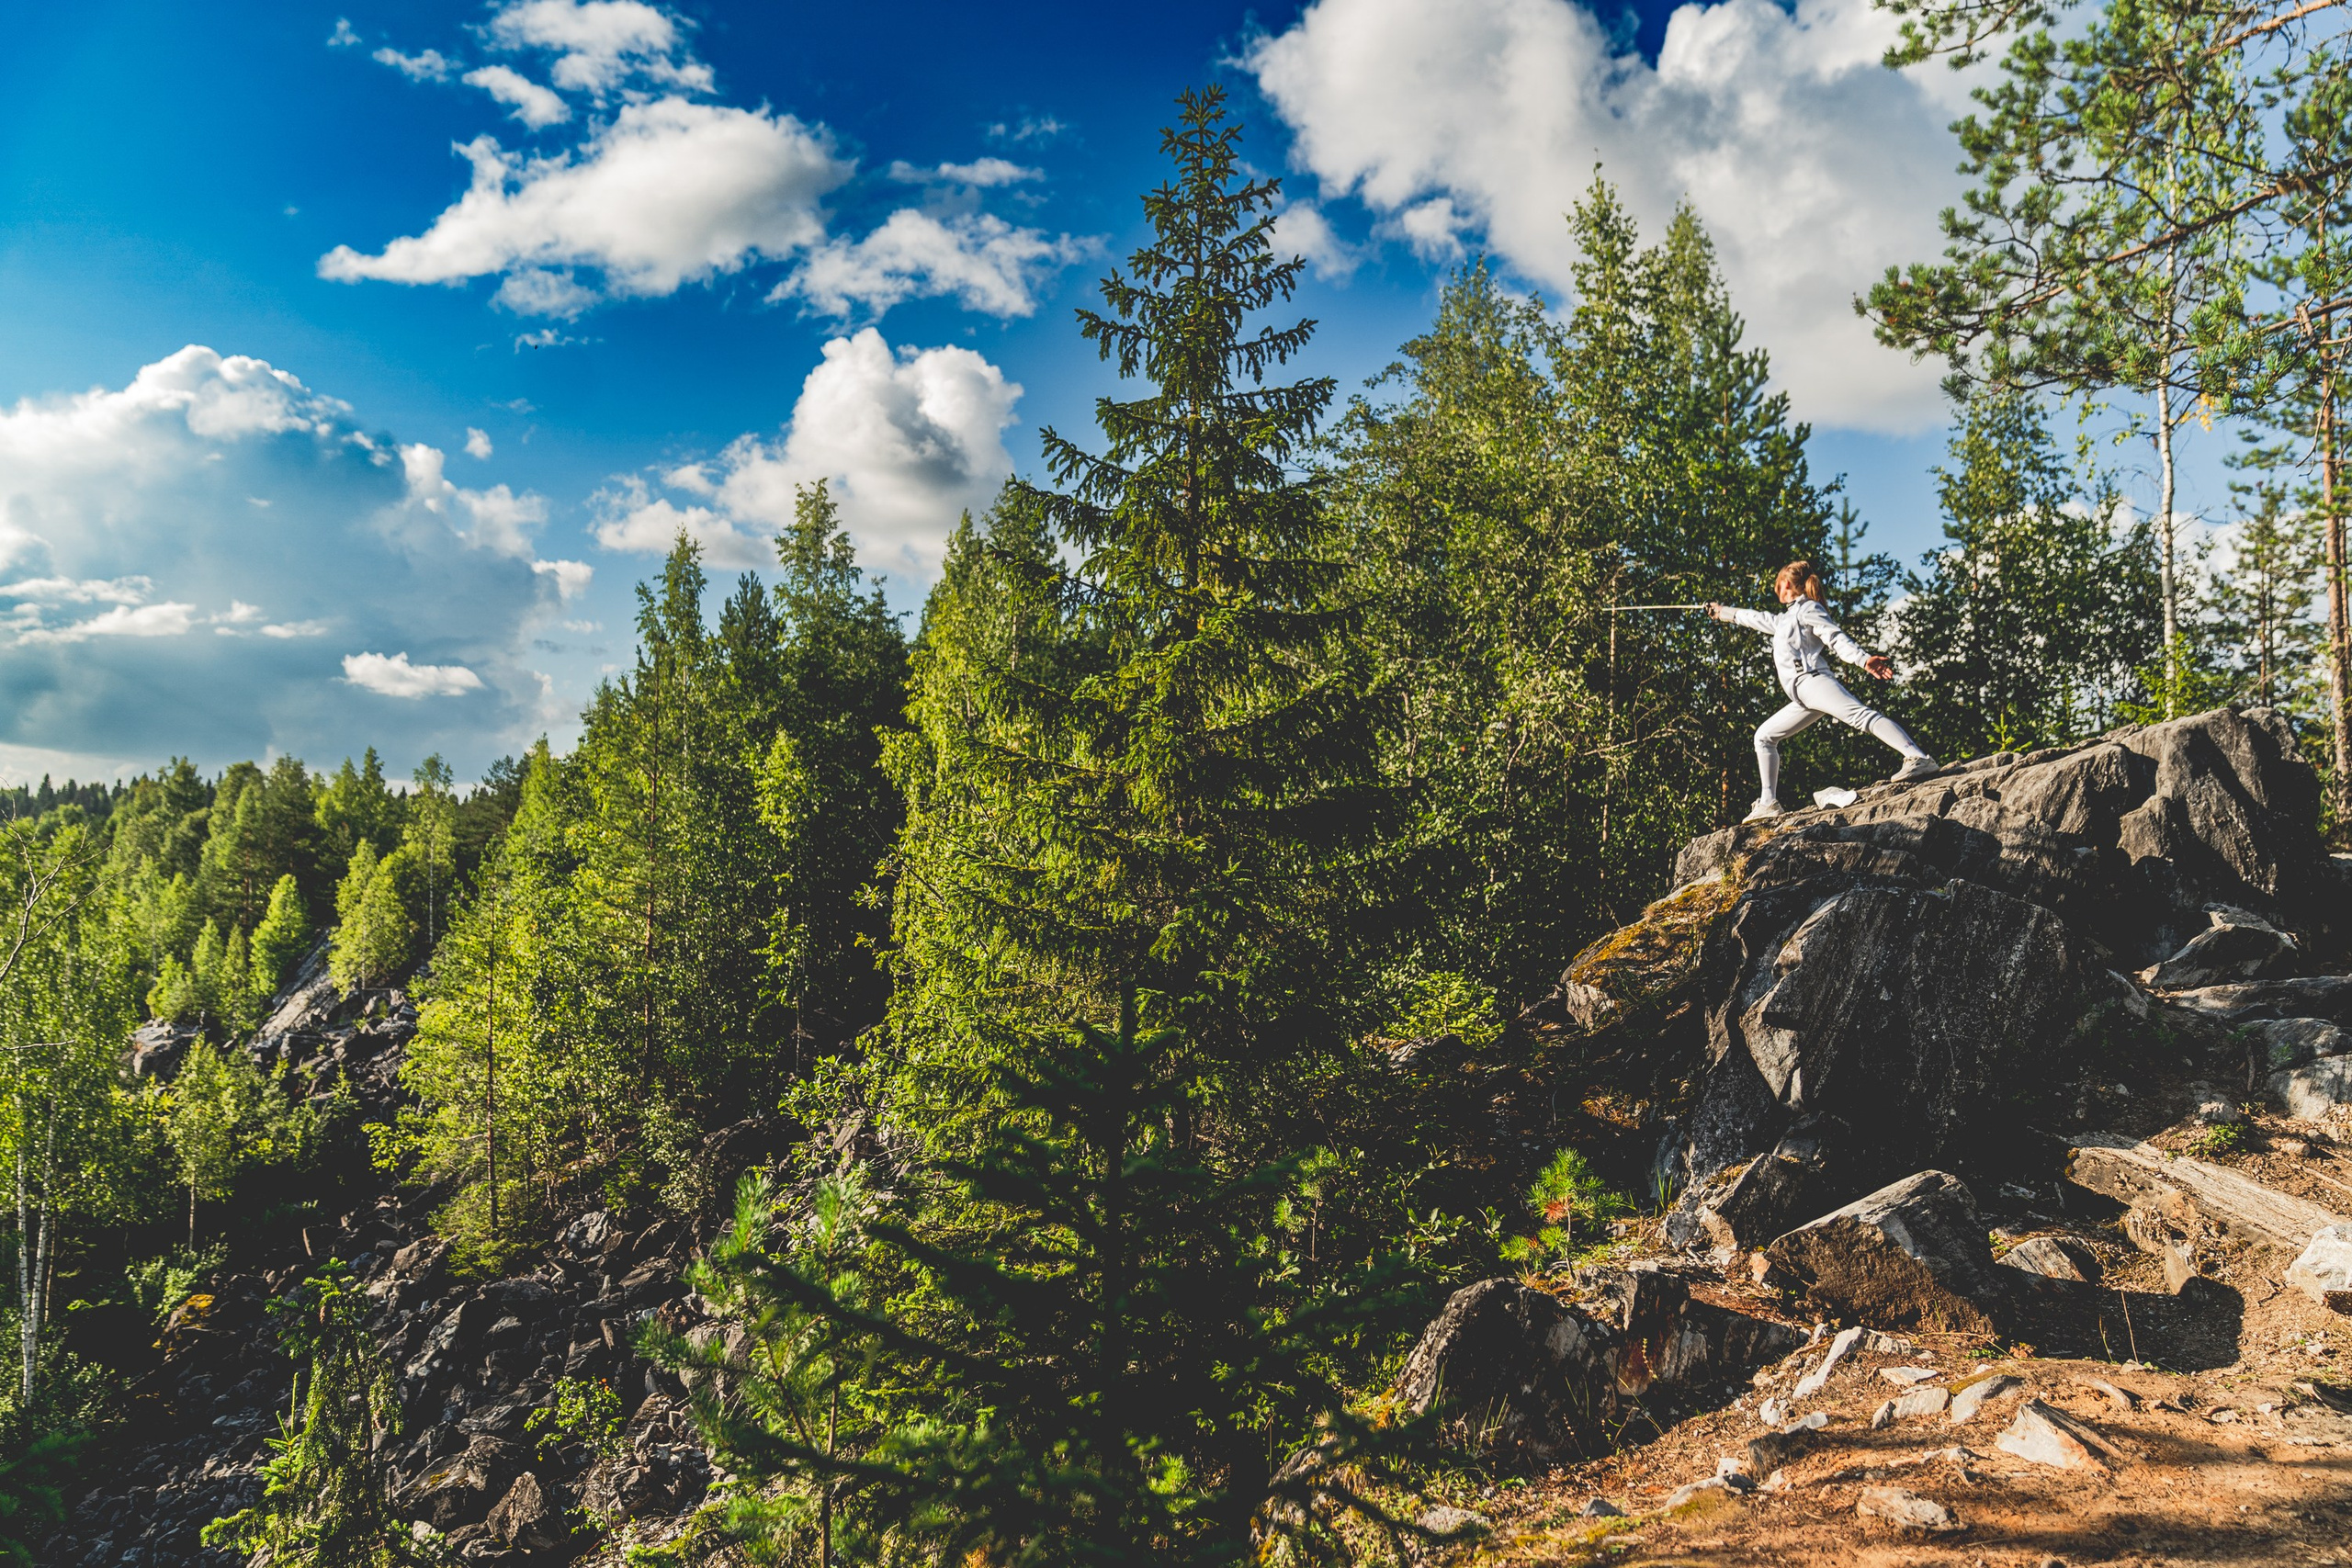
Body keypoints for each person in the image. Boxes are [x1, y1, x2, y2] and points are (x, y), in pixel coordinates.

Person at [1707, 560, 1939, 821]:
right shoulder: (1786, 619)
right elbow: (1756, 618)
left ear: (1785, 584)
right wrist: (1722, 612)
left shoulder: (1808, 608)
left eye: (1777, 583)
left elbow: (1835, 637)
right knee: (1764, 737)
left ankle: (1918, 757)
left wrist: (1863, 660)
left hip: (1814, 682)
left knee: (1861, 717)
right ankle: (1768, 802)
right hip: (1803, 696)